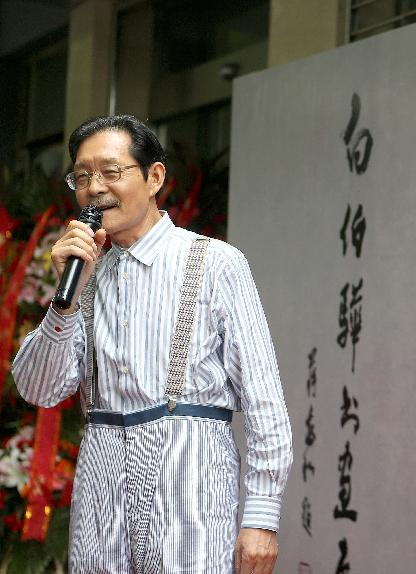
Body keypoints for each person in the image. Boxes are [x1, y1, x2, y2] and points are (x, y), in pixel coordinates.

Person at [12, 115, 293, 574]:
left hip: (190, 467)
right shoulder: (84, 274)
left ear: (154, 177)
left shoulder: (215, 262)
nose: (94, 188)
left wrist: (262, 516)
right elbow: (39, 390)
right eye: (82, 176)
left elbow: (264, 401)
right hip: (102, 465)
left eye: (110, 172)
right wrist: (63, 304)